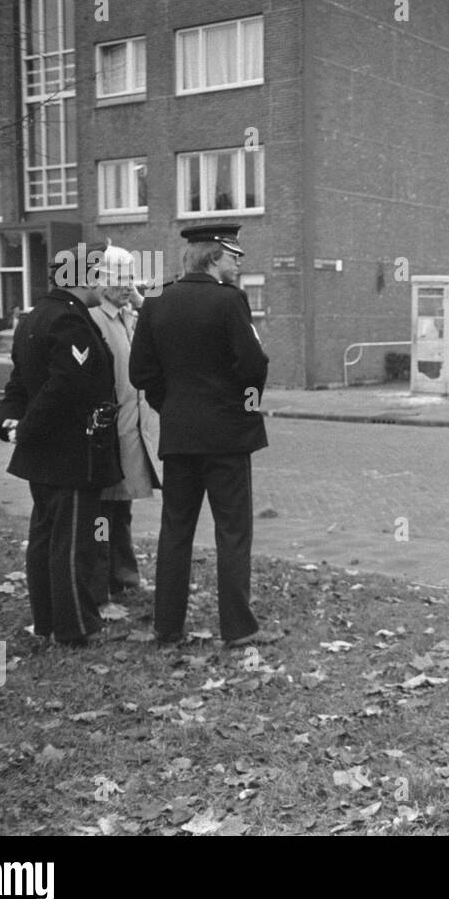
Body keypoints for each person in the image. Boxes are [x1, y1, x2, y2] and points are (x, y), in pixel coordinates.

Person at [129, 224, 278, 648]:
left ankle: (167, 627)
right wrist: (245, 407)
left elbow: (141, 373)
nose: (238, 263)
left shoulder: (156, 299)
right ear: (213, 257)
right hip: (227, 437)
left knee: (175, 530)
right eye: (233, 256)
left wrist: (169, 405)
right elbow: (253, 364)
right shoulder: (230, 301)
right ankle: (238, 628)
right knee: (232, 532)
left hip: (179, 435)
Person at [0, 244, 123, 645]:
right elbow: (65, 385)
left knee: (45, 538)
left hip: (43, 454)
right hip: (71, 453)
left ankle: (48, 621)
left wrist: (11, 422)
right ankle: (74, 628)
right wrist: (27, 427)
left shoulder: (34, 317)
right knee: (72, 543)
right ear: (80, 278)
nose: (102, 280)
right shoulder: (70, 320)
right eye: (97, 273)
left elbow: (19, 382)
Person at [89, 246, 161, 603]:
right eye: (117, 280)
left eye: (129, 280)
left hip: (133, 430)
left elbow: (163, 328)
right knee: (104, 510)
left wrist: (141, 301)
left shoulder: (131, 317)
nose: (124, 286)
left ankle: (124, 572)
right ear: (100, 282)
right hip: (110, 432)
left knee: (123, 507)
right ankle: (104, 576)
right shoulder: (96, 320)